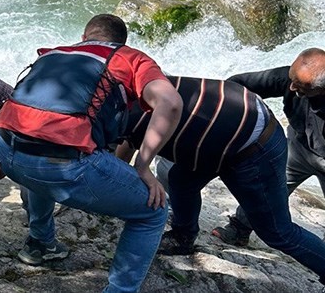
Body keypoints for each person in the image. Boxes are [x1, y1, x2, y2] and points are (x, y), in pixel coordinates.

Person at [0, 13, 183, 292]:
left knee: (42, 153)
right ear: (122, 43)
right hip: (61, 163)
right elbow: (171, 102)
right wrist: (143, 167)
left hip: (4, 147)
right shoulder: (130, 57)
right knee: (153, 211)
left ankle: (40, 243)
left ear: (84, 38)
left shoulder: (56, 53)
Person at [117, 75, 325, 286]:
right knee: (181, 180)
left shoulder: (126, 114)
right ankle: (183, 237)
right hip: (218, 137)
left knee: (278, 232)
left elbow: (122, 153)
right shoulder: (132, 86)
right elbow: (128, 144)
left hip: (253, 146)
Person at [212, 47, 325, 247]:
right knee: (265, 188)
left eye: (301, 87)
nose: (292, 88)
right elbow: (238, 84)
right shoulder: (291, 80)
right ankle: (240, 229)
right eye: (293, 80)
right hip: (298, 149)